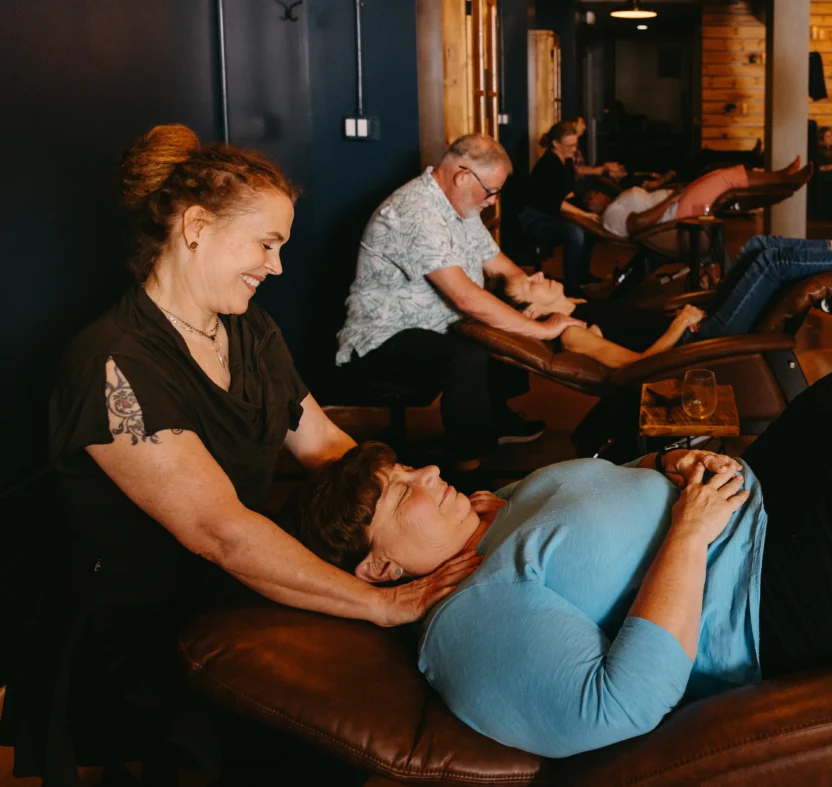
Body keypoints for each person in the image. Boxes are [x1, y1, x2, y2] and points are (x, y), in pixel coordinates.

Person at [299, 276, 832, 759]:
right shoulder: (467, 623)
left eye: (408, 465)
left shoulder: (489, 515)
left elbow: (610, 494)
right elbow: (619, 705)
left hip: (743, 510)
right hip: (773, 605)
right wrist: (687, 529)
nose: (427, 474)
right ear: (379, 567)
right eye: (402, 493)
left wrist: (669, 468)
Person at [0, 125, 483, 780]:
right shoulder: (111, 365)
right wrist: (381, 603)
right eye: (266, 243)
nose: (275, 266)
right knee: (309, 747)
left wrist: (421, 512)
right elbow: (220, 530)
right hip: (139, 631)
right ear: (196, 228)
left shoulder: (249, 330)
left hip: (233, 591)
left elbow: (325, 445)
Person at [337, 134, 585, 478]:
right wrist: (541, 328)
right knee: (466, 353)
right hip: (383, 338)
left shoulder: (463, 208)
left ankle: (495, 418)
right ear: (463, 176)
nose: (493, 200)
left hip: (439, 324)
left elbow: (501, 266)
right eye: (491, 191)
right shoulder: (414, 211)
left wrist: (533, 297)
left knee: (502, 316)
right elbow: (465, 297)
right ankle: (468, 469)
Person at [488, 212, 832, 369]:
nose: (540, 275)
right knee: (773, 263)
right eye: (532, 284)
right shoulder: (572, 332)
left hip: (695, 324)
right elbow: (634, 366)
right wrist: (679, 323)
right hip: (698, 339)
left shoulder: (577, 304)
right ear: (531, 313)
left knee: (758, 246)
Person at [588, 155, 804, 239]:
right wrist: (671, 199)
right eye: (592, 197)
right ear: (590, 208)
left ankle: (779, 188)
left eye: (596, 191)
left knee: (724, 189)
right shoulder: (610, 215)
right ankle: (782, 178)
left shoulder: (615, 203)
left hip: (677, 204)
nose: (598, 194)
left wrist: (672, 190)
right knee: (724, 178)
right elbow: (640, 223)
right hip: (676, 213)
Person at [519, 121, 604, 297]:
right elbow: (556, 202)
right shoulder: (548, 165)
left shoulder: (566, 161)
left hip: (553, 213)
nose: (574, 149)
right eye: (569, 146)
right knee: (575, 233)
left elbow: (566, 193)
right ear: (556, 144)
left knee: (590, 228)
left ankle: (582, 274)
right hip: (535, 218)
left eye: (575, 145)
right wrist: (584, 214)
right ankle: (571, 285)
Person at [570, 116, 625, 180]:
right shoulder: (570, 146)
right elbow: (577, 170)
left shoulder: (577, 145)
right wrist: (604, 169)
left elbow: (581, 168)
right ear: (574, 124)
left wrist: (605, 167)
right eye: (582, 123)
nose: (584, 127)